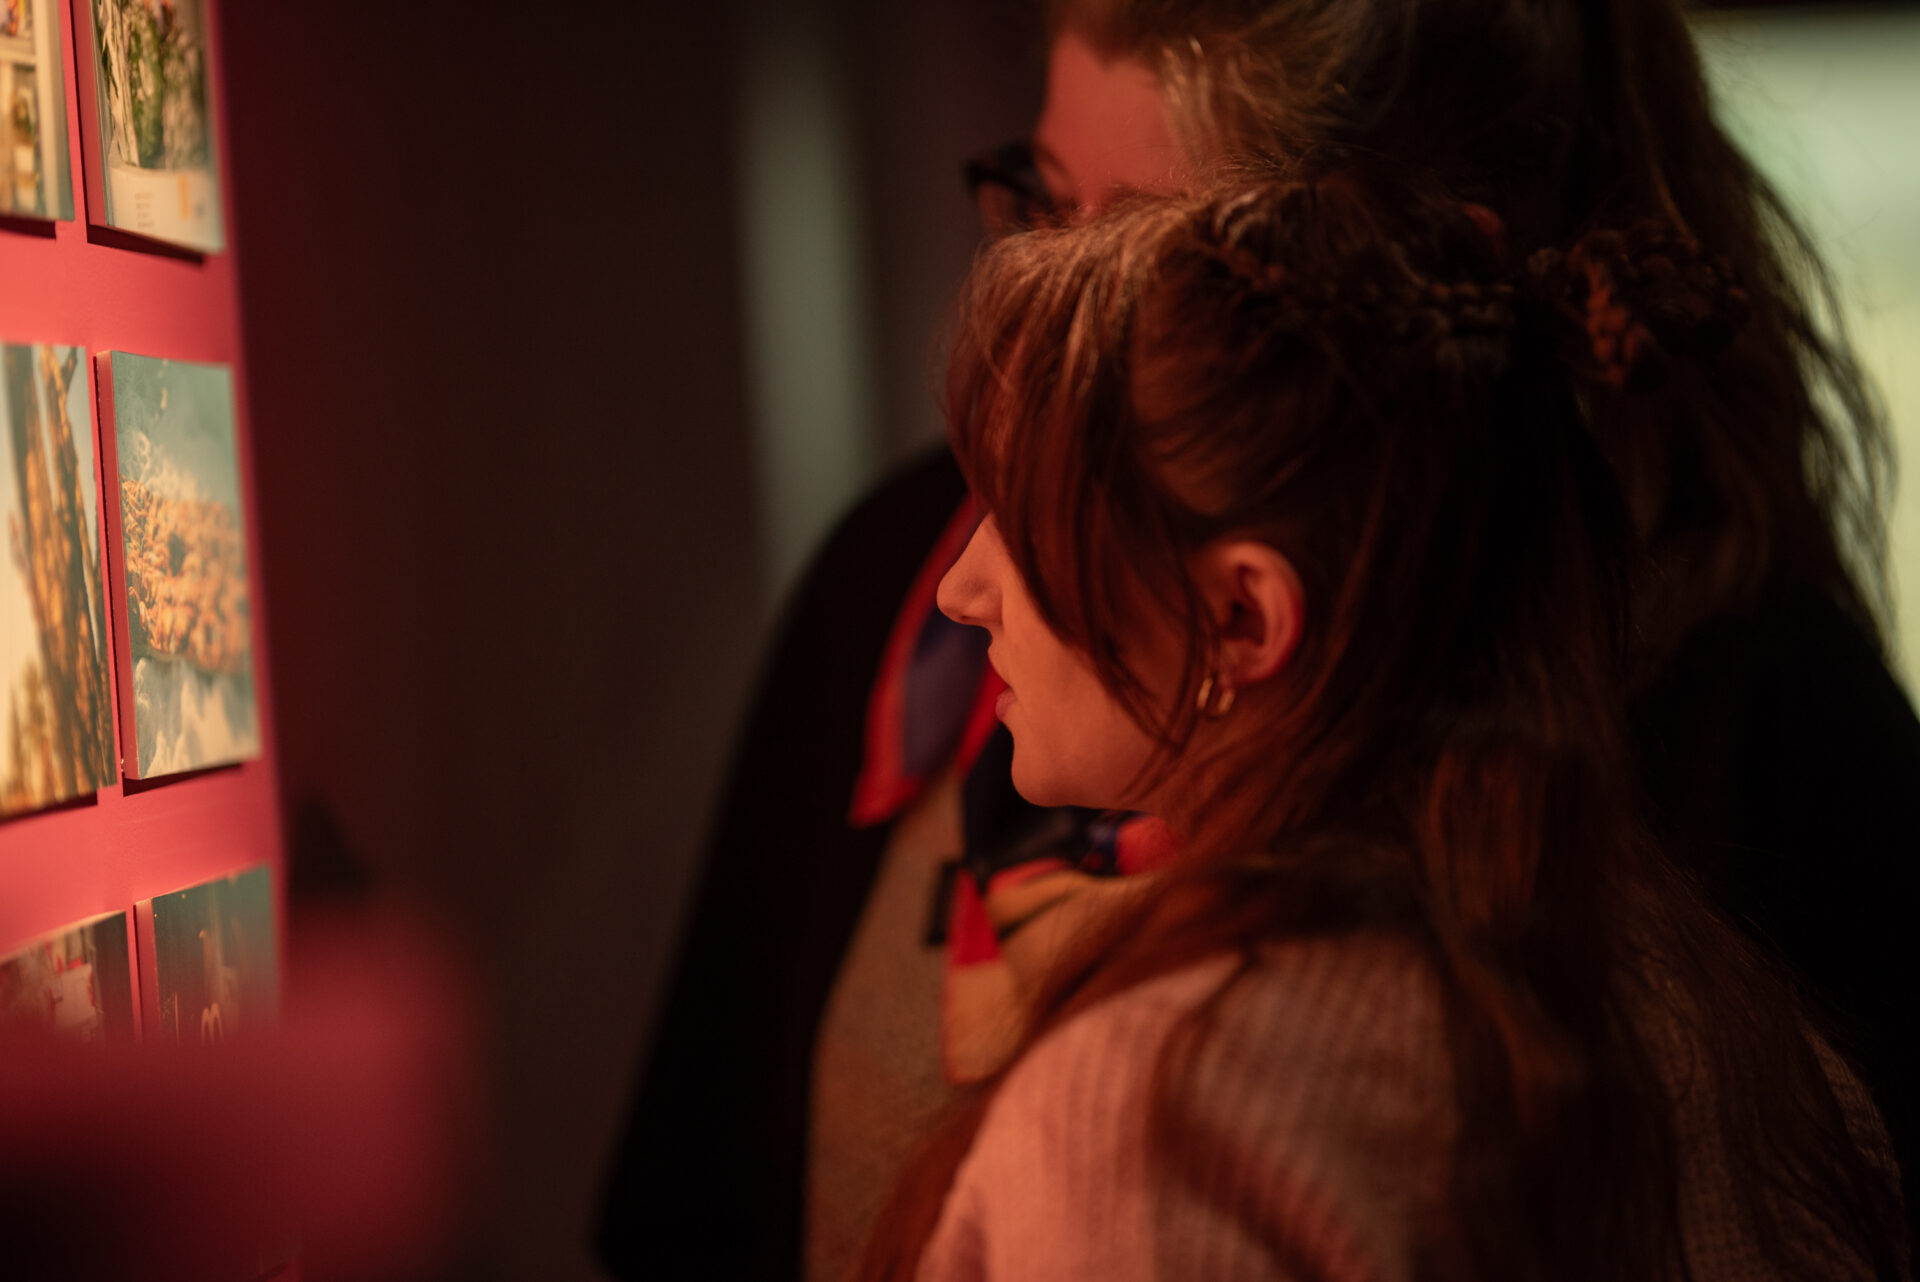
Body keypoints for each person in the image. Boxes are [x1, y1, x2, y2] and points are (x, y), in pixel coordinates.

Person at [596, 2, 1920, 1276]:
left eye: (1134, 263)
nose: (960, 578)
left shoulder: (1156, 1124)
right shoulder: (1710, 1013)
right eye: (1044, 208)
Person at [866, 164, 1907, 1281]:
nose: (961, 590)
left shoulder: (1155, 1119)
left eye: (1021, 522)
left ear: (1241, 619)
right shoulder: (1752, 1046)